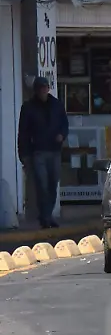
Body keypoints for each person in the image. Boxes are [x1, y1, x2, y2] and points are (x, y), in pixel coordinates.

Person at [17, 77, 68, 229]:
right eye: (40, 88)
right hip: (38, 151)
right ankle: (45, 217)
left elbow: (64, 123)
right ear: (35, 90)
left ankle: (48, 214)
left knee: (53, 184)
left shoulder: (56, 105)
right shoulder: (28, 107)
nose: (42, 91)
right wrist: (23, 154)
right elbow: (23, 133)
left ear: (48, 88)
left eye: (44, 87)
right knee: (42, 185)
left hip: (54, 150)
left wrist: (62, 135)